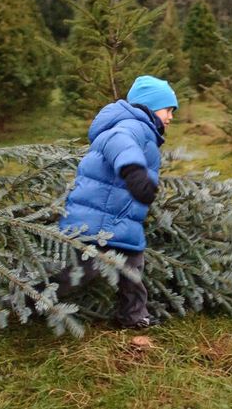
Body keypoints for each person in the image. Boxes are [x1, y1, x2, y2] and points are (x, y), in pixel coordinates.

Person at [57, 75, 178, 329]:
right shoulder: (130, 126)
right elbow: (120, 144)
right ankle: (28, 295)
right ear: (151, 105)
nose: (171, 117)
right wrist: (134, 172)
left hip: (122, 220)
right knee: (78, 273)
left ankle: (133, 316)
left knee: (132, 270)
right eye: (169, 110)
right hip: (97, 219)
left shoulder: (142, 128)